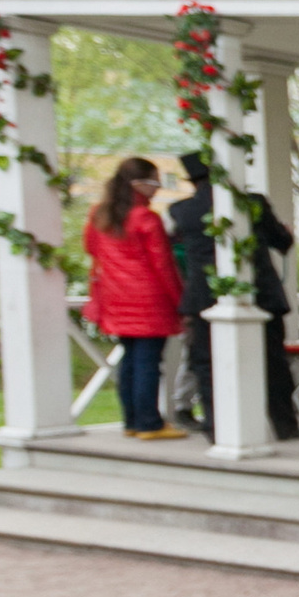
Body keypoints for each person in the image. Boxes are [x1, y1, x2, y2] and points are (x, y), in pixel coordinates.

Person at [168, 151, 299, 442]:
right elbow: (281, 241)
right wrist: (286, 233)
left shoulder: (181, 210)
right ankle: (285, 425)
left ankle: (215, 428)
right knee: (273, 364)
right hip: (261, 294)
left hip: (203, 298)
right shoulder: (253, 203)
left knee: (207, 366)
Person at [81, 156, 184, 440]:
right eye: (155, 182)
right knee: (148, 362)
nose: (158, 189)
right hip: (150, 299)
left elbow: (91, 248)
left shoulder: (99, 214)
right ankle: (149, 423)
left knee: (130, 361)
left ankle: (131, 421)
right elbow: (163, 264)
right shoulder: (146, 217)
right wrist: (179, 299)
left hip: (115, 299)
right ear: (138, 184)